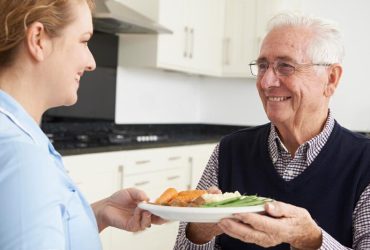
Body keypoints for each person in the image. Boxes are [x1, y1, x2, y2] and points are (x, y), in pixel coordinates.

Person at [174, 12, 370, 250]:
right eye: (263, 65)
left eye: (285, 66)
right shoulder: (229, 151)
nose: (266, 82)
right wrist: (200, 230)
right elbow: (183, 246)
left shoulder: (364, 163)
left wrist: (311, 241)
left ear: (331, 79)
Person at [0, 0, 163, 249]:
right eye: (84, 41)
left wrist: (98, 213)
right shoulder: (22, 155)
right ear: (38, 40)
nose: (91, 62)